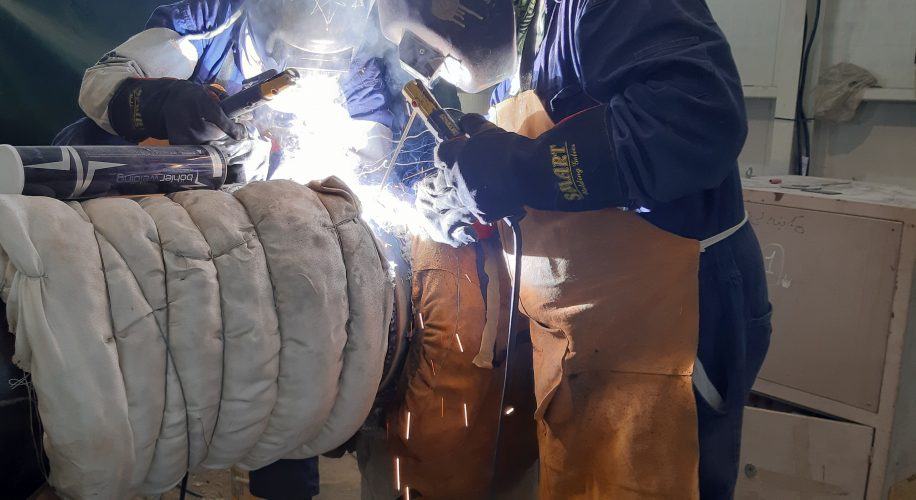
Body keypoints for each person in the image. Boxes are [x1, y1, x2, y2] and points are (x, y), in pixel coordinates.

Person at [379, 0, 773, 498]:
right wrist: (470, 197)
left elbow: (694, 123)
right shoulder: (523, 29)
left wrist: (517, 170)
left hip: (669, 324)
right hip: (583, 334)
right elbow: (545, 159)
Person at [52, 1, 445, 498]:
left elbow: (370, 158)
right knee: (83, 144)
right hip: (165, 205)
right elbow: (99, 85)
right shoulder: (212, 21)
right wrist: (163, 102)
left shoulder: (357, 56)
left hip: (264, 232)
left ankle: (285, 485)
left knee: (304, 312)